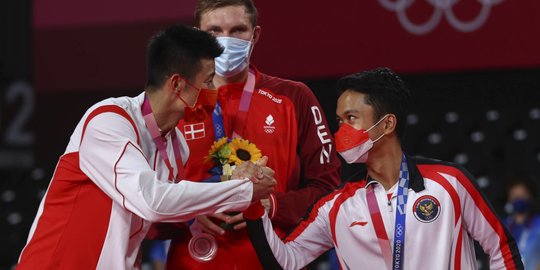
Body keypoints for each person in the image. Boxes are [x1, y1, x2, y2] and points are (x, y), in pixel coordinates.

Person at [16, 24, 276, 270]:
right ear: (177, 84)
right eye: (208, 81)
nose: (213, 90)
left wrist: (198, 215)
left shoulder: (177, 148)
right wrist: (243, 190)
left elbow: (156, 217)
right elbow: (151, 201)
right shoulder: (109, 120)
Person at [244, 67, 524, 269]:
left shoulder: (450, 183)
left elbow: (501, 249)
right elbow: (286, 260)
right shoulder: (335, 207)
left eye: (350, 118)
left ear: (387, 124)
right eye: (339, 121)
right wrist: (253, 202)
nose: (339, 131)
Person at [165, 0, 342, 269]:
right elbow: (140, 191)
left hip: (273, 259)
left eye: (238, 30)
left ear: (255, 34)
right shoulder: (174, 102)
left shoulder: (295, 97)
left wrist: (273, 205)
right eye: (213, 31)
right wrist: (186, 210)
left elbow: (328, 190)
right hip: (195, 258)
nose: (226, 41)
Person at [505, 177, 540, 270]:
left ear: (530, 197)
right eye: (515, 196)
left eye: (523, 195)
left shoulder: (538, 225)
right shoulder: (504, 226)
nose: (519, 199)